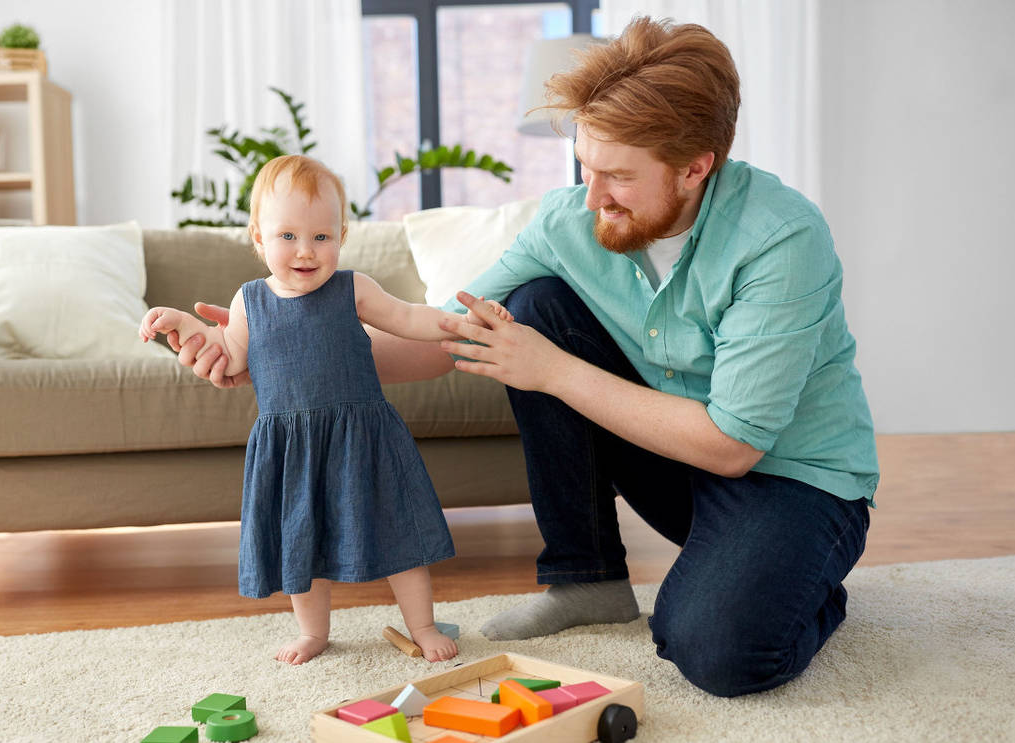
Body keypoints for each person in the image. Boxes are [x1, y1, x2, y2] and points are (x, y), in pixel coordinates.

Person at [172, 17, 879, 697]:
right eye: (585, 165)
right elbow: (453, 335)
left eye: (617, 176)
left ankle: (804, 582)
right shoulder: (568, 221)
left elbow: (732, 445)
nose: (591, 196)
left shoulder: (779, 239)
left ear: (696, 168)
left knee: (716, 652)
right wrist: (276, 354)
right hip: (678, 469)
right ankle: (587, 579)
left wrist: (551, 369)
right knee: (533, 304)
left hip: (793, 480)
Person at [140, 154, 510, 665]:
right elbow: (229, 356)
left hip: (364, 438)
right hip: (291, 450)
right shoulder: (249, 302)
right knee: (301, 543)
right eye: (287, 236)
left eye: (321, 236)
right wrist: (186, 326)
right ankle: (313, 632)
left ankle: (422, 625)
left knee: (399, 536)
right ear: (258, 237)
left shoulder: (352, 288)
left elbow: (409, 318)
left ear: (341, 236)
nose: (306, 250)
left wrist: (468, 324)